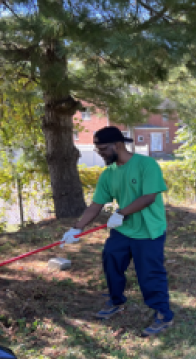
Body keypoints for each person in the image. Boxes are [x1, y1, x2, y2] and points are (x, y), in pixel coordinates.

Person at [60, 126, 173, 338]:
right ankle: (116, 300)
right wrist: (76, 228)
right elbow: (95, 205)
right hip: (124, 230)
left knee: (150, 274)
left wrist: (121, 212)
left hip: (149, 231)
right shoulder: (108, 174)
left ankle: (163, 314)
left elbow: (149, 196)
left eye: (102, 148)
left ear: (118, 145)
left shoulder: (146, 164)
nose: (100, 153)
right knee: (111, 261)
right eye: (97, 149)